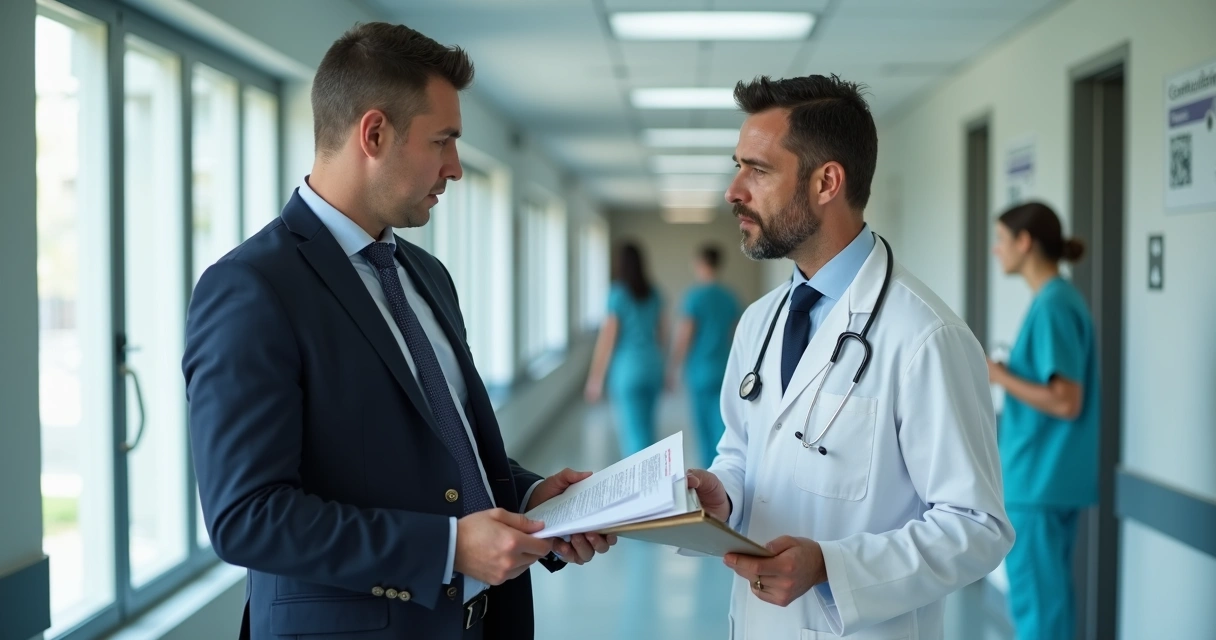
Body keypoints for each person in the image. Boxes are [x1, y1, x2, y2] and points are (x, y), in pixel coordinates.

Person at [183, 23, 613, 640]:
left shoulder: (426, 275)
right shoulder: (252, 288)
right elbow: (247, 517)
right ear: (375, 134)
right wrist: (448, 549)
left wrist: (530, 497)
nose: (455, 169)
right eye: (443, 141)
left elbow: (445, 446)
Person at [683, 74, 1014, 639]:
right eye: (738, 166)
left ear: (826, 182)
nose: (734, 191)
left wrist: (831, 568)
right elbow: (741, 450)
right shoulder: (759, 322)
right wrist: (725, 493)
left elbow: (977, 527)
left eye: (757, 170)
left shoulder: (926, 337)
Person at [988, 201, 1098, 640]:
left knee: (1039, 613)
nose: (996, 250)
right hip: (1047, 480)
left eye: (1001, 239)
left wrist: (999, 376)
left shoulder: (1053, 306)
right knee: (1050, 607)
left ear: (1025, 242)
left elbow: (1067, 401)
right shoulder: (1057, 300)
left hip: (1038, 482)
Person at [584, 242, 666, 458]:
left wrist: (595, 378)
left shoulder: (617, 294)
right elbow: (662, 335)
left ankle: (642, 477)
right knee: (647, 429)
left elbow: (608, 339)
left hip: (628, 371)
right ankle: (654, 473)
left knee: (634, 436)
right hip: (652, 367)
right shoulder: (654, 293)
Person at [670, 244, 741, 466]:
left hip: (699, 371)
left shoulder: (694, 297)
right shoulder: (729, 297)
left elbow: (685, 336)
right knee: (721, 423)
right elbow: (737, 335)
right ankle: (722, 468)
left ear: (700, 263)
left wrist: (673, 367)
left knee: (702, 427)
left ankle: (708, 470)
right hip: (723, 368)